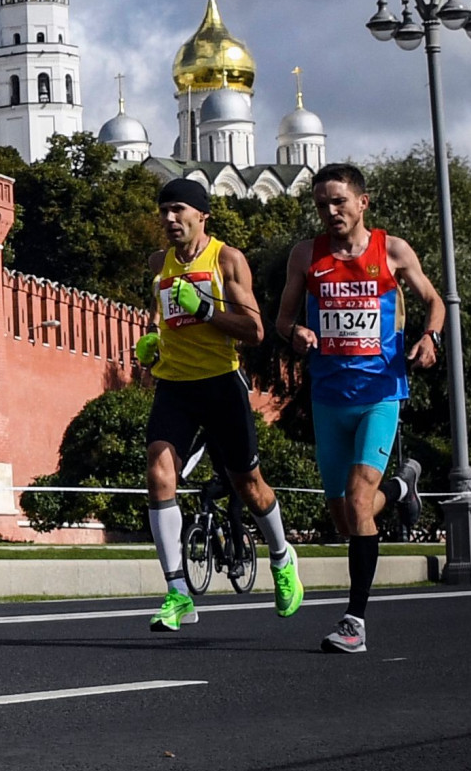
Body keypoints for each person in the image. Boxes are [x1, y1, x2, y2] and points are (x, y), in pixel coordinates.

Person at [274, 163, 437, 653]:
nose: (330, 211)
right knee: (344, 518)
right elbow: (282, 320)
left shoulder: (392, 250)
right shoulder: (306, 255)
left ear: (362, 202)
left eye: (339, 201)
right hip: (328, 398)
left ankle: (354, 622)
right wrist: (296, 333)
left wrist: (429, 337)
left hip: (379, 394)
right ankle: (402, 487)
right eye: (321, 204)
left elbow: (434, 300)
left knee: (359, 500)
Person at [133, 179, 303, 632]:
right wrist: (150, 341)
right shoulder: (159, 263)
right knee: (158, 473)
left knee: (249, 485)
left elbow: (255, 330)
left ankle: (282, 557)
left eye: (178, 209)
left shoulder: (226, 260)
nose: (169, 219)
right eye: (163, 211)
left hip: (221, 385)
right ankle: (178, 593)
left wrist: (206, 310)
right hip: (175, 386)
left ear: (202, 214)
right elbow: (159, 313)